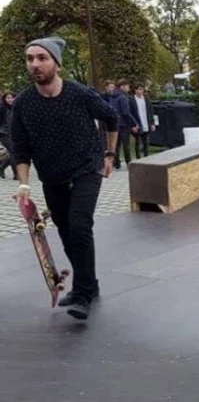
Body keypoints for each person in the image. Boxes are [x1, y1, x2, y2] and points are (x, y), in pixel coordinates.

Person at [11, 36, 119, 320]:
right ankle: (89, 284)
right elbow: (20, 150)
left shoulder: (79, 94)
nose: (35, 64)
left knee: (79, 226)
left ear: (56, 63)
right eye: (30, 58)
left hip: (87, 168)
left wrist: (109, 154)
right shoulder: (23, 104)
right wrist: (24, 184)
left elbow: (112, 117)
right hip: (52, 177)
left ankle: (83, 294)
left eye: (42, 58)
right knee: (65, 231)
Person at [130, 83, 155, 158]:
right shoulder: (132, 100)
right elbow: (130, 112)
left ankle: (147, 157)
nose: (141, 91)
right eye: (139, 89)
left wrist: (152, 123)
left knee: (146, 142)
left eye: (142, 89)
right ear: (135, 90)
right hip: (137, 123)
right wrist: (133, 125)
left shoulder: (146, 99)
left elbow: (151, 111)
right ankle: (138, 158)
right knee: (138, 142)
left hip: (146, 122)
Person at [1, 91, 18, 180]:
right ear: (4, 99)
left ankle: (1, 168)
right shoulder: (2, 108)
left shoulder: (16, 108)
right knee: (13, 152)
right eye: (8, 98)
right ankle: (16, 174)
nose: (10, 99)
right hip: (4, 133)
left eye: (11, 97)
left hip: (14, 134)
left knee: (12, 153)